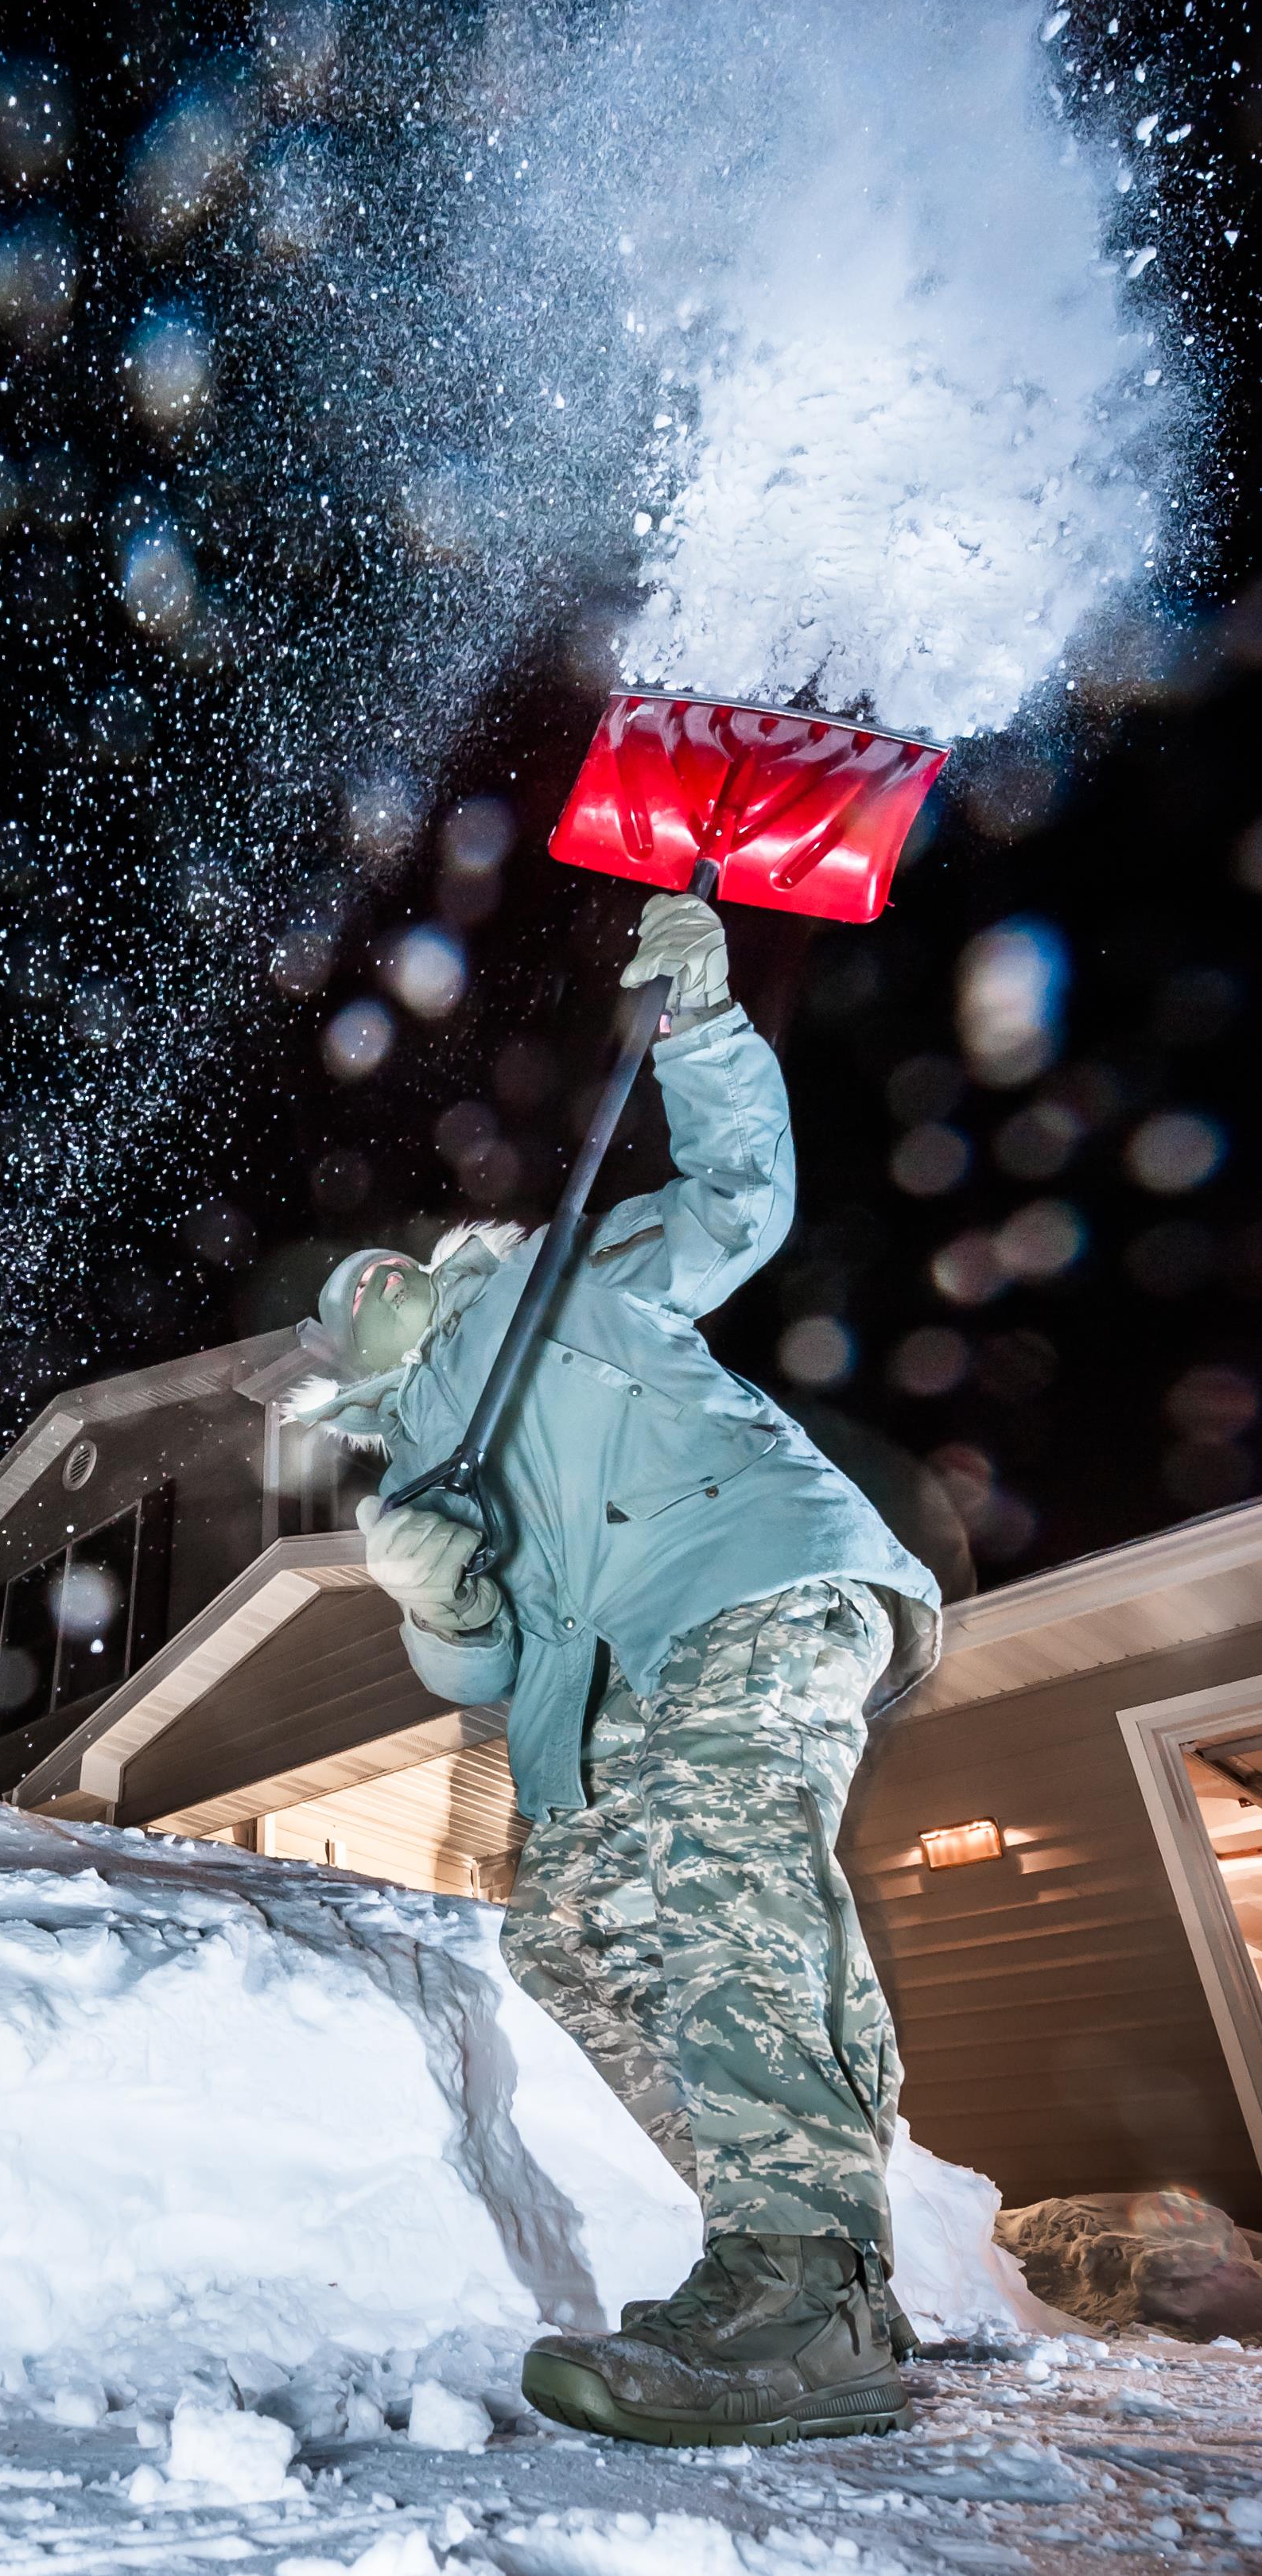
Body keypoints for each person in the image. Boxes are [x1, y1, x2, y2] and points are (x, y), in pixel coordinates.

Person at [289, 888, 942, 2448]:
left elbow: (737, 1194)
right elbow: (492, 1659)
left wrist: (702, 1027)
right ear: (344, 1379)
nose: (361, 1285)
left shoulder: (555, 1281)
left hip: (747, 1573)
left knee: (727, 1862)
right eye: (336, 1307)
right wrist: (437, 1599)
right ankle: (811, 2251)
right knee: (568, 1940)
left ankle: (795, 2277)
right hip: (611, 1697)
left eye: (372, 1269)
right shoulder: (410, 1487)